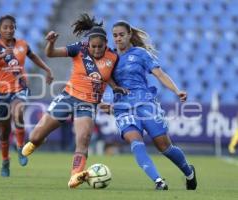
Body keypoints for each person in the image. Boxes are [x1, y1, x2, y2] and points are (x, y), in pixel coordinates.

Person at [22, 14, 125, 188]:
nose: (97, 50)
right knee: (34, 136)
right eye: (94, 46)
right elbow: (51, 53)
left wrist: (115, 88)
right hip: (68, 97)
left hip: (89, 103)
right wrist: (51, 42)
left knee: (83, 139)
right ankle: (39, 139)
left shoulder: (113, 57)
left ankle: (75, 176)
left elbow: (107, 77)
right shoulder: (79, 48)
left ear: (106, 44)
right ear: (88, 43)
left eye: (101, 47)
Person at [107, 21, 197, 190]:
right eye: (115, 35)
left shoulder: (140, 54)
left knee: (163, 146)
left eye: (121, 35)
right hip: (123, 107)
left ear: (129, 35)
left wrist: (177, 91)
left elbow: (159, 74)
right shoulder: (109, 57)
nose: (118, 38)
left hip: (145, 103)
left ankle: (188, 172)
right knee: (135, 141)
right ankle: (158, 181)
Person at [0, 15, 54, 177]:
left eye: (11, 27)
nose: (9, 30)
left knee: (19, 112)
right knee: (3, 130)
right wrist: (2, 55)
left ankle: (21, 147)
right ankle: (5, 161)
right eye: (5, 27)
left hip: (19, 87)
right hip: (0, 91)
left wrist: (47, 70)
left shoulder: (22, 44)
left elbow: (33, 56)